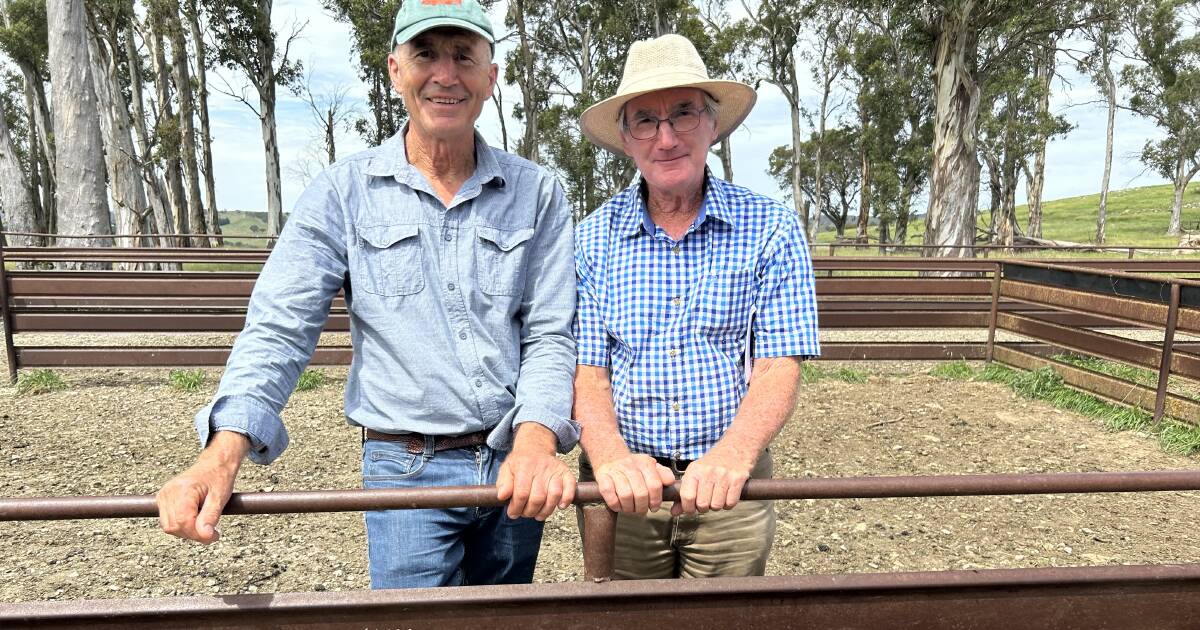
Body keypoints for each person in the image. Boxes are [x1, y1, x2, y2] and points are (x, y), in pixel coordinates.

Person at [156, 0, 579, 589]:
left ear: (491, 76)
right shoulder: (342, 193)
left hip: (515, 460)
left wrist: (536, 440)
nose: (445, 75)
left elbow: (550, 330)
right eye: (425, 55)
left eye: (464, 56)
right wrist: (222, 453)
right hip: (406, 466)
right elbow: (281, 325)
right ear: (395, 71)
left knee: (503, 615)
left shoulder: (537, 192)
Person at [572, 34, 820, 579]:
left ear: (713, 124)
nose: (666, 138)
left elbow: (779, 363)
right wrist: (611, 459)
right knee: (627, 621)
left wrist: (735, 453)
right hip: (626, 487)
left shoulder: (770, 227)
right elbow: (586, 371)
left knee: (724, 618)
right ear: (626, 137)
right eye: (646, 121)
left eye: (683, 114)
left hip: (731, 483)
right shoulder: (591, 239)